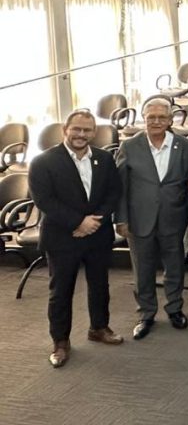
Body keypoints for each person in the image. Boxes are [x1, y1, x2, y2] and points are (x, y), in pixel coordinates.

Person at [30, 109, 124, 367]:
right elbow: (44, 200)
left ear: (94, 132)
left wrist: (95, 221)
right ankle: (60, 342)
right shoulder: (43, 162)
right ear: (65, 130)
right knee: (61, 291)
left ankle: (99, 328)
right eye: (77, 129)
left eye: (87, 130)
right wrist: (78, 222)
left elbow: (113, 193)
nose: (81, 134)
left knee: (100, 285)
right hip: (62, 236)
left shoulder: (104, 159)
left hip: (98, 234)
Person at [115, 98, 188, 340]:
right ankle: (146, 314)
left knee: (175, 266)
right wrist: (120, 219)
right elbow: (120, 187)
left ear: (171, 120)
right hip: (139, 219)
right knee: (143, 269)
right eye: (151, 117)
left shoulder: (185, 146)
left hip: (174, 217)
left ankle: (175, 308)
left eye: (162, 117)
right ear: (144, 119)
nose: (156, 121)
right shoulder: (130, 146)